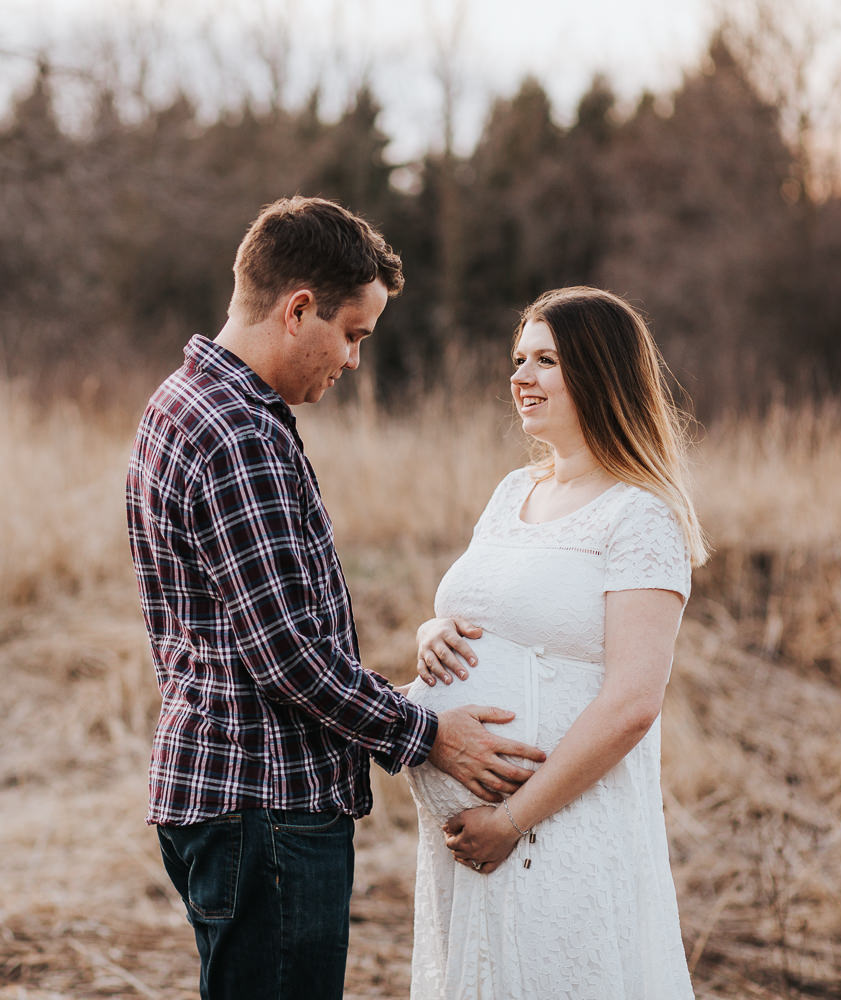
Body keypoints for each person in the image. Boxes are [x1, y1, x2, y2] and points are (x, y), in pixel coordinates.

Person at [124, 195, 547, 1000]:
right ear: (298, 309)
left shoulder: (182, 404)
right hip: (266, 802)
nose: (353, 361)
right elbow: (285, 656)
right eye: (352, 334)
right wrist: (426, 735)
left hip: (223, 793)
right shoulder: (238, 432)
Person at [402, 285, 711, 999]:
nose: (520, 377)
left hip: (555, 826)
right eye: (519, 359)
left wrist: (513, 818)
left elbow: (634, 701)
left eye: (545, 361)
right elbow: (493, 610)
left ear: (599, 374)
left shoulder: (639, 517)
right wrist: (432, 632)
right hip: (472, 838)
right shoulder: (514, 492)